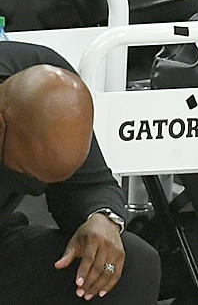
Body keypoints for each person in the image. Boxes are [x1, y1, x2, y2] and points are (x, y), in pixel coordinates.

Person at [0, 40, 161, 304]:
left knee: (129, 263)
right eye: (29, 175)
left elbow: (89, 184)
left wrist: (101, 219)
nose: (39, 186)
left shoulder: (43, 78)